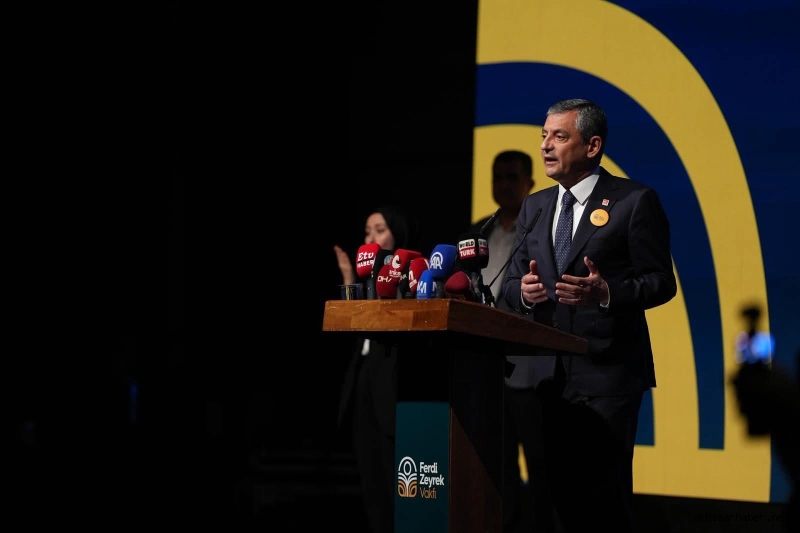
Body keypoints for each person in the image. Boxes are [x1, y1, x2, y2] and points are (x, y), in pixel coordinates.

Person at [501, 98, 677, 532]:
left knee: (604, 502)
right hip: (550, 378)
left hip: (609, 375)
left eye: (559, 136)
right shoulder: (535, 206)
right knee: (561, 501)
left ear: (592, 146)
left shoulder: (634, 201)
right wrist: (523, 293)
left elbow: (661, 282)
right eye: (544, 135)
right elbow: (511, 283)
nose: (546, 146)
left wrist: (607, 293)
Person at [471, 150, 557, 532]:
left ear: (530, 184)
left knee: (541, 465)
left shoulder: (545, 229)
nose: (503, 185)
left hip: (530, 368)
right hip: (486, 369)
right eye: (497, 177)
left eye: (511, 177)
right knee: (496, 463)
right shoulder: (478, 231)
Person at [334, 206, 420, 533]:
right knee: (371, 484)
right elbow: (350, 327)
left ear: (397, 234)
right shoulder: (365, 279)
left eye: (379, 230)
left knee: (394, 481)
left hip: (394, 383)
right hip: (364, 380)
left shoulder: (410, 272)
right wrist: (348, 279)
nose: (371, 238)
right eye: (367, 232)